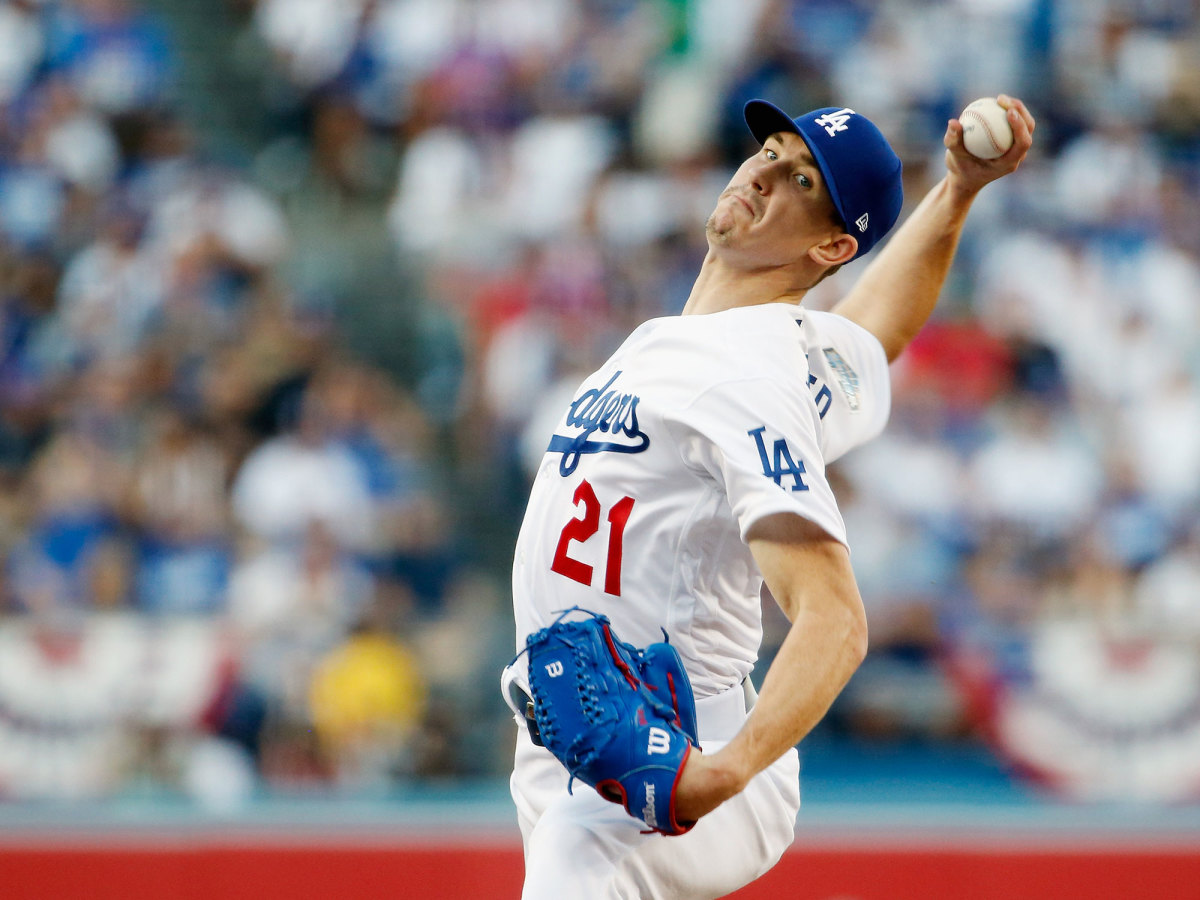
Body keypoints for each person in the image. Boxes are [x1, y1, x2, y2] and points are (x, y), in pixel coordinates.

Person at [501, 94, 1035, 899]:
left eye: (802, 182)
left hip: (677, 747)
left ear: (831, 242)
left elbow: (835, 618)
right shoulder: (768, 351)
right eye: (773, 152)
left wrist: (720, 776)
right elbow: (873, 335)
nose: (766, 172)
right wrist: (955, 190)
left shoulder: (748, 378)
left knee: (575, 863)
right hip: (578, 738)